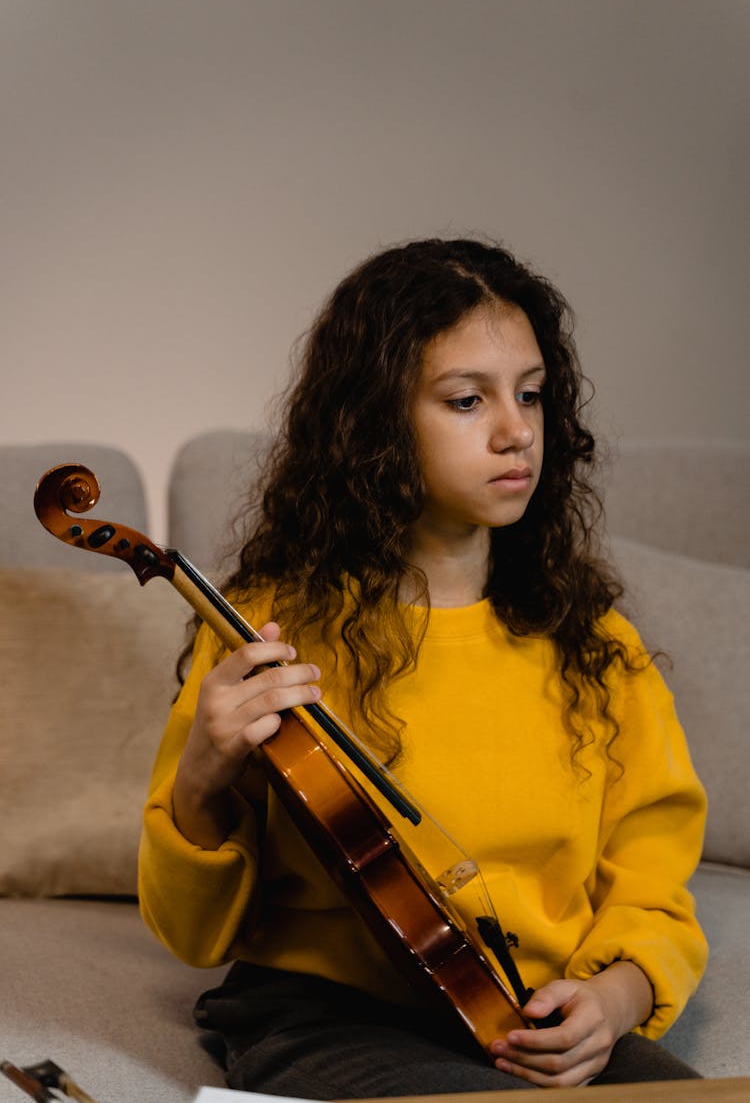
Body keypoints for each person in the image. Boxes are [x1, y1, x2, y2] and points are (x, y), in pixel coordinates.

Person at [138, 238, 708, 1095]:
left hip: (528, 1013)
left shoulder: (597, 648)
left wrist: (614, 999)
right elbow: (191, 934)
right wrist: (200, 781)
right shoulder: (273, 633)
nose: (517, 431)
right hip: (323, 1015)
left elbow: (653, 878)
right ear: (375, 422)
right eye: (467, 400)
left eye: (531, 395)